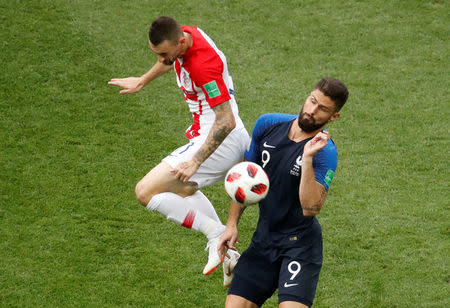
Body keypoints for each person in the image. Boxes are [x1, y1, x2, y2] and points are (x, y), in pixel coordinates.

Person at [108, 16, 249, 286]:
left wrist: (195, 162)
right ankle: (227, 250)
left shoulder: (203, 67)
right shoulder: (185, 35)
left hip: (222, 139)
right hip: (207, 131)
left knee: (146, 191)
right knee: (181, 189)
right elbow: (168, 61)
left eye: (163, 54)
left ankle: (217, 234)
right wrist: (142, 80)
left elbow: (226, 120)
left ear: (181, 43)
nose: (160, 59)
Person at [218, 78, 349, 307]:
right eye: (312, 101)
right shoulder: (268, 124)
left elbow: (311, 208)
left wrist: (307, 158)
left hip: (300, 245)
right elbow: (245, 178)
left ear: (333, 117)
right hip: (264, 240)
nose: (311, 111)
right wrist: (231, 224)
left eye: (322, 109)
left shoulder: (325, 151)